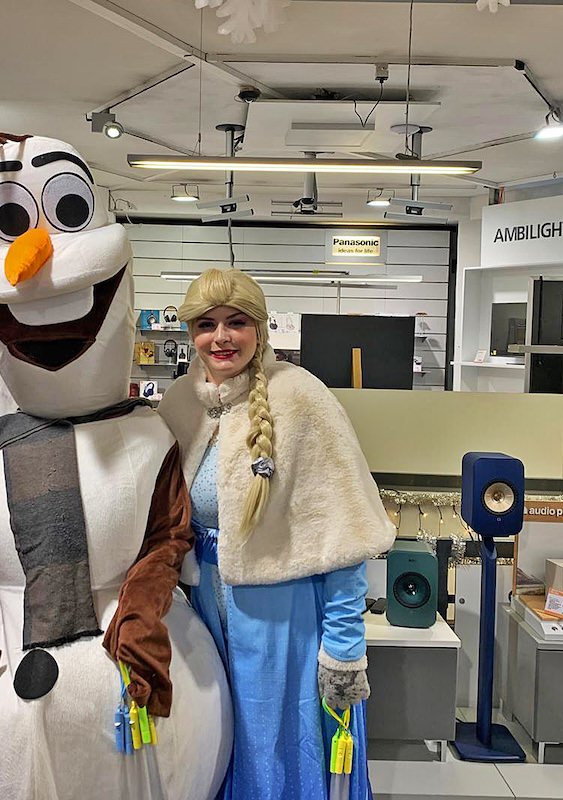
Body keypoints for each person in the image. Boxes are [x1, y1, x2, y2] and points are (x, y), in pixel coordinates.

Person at [158, 269, 396, 800]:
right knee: (213, 749)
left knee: (278, 753)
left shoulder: (303, 398)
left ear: (260, 328)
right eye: (206, 324)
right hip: (204, 616)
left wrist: (343, 647)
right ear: (191, 332)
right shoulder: (179, 405)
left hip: (285, 622)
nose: (221, 337)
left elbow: (344, 538)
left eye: (236, 322)